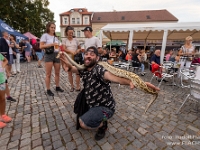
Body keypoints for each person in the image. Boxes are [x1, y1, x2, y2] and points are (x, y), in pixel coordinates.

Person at [60, 46, 159, 141]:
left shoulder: (99, 69)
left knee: (83, 123)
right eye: (86, 54)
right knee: (80, 116)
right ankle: (96, 115)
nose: (88, 56)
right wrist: (67, 66)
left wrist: (134, 82)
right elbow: (72, 68)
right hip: (91, 103)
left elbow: (114, 77)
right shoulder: (85, 68)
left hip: (105, 107)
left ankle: (103, 124)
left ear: (97, 58)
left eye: (92, 54)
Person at [40, 22, 64, 96]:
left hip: (56, 54)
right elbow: (41, 46)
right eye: (52, 27)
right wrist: (51, 44)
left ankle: (57, 86)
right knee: (48, 74)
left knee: (57, 72)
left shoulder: (56, 37)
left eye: (54, 27)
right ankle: (48, 89)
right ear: (48, 28)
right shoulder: (45, 35)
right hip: (49, 54)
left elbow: (59, 46)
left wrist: (60, 51)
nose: (53, 29)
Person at [62, 26, 81, 92]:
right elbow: (64, 49)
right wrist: (70, 51)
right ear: (66, 32)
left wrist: (77, 51)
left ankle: (78, 86)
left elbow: (79, 48)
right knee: (70, 73)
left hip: (75, 57)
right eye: (69, 33)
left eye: (72, 33)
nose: (71, 34)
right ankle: (72, 86)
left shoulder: (76, 40)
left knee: (77, 72)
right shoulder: (64, 40)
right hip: (68, 58)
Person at [0, 53, 12, 128]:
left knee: (2, 99)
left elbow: (5, 60)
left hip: (1, 79)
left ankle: (3, 115)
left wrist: (2, 67)